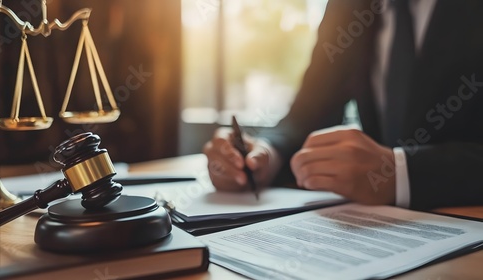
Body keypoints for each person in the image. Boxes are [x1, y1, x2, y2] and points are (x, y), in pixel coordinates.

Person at [203, 0, 483, 210]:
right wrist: (264, 155)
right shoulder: (348, 6)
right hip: (378, 226)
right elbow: (306, 116)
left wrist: (400, 173)